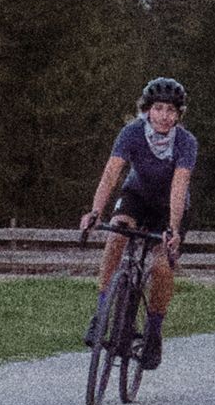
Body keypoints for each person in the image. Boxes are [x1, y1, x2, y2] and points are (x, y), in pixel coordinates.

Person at [80, 76, 197, 367]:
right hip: (137, 196)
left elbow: (179, 185)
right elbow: (112, 173)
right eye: (158, 108)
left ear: (178, 115)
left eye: (171, 111)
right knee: (117, 233)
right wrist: (95, 211)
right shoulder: (131, 133)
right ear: (147, 110)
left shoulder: (186, 142)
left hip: (171, 205)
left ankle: (154, 333)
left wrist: (172, 228)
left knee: (160, 265)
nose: (164, 116)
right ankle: (102, 313)